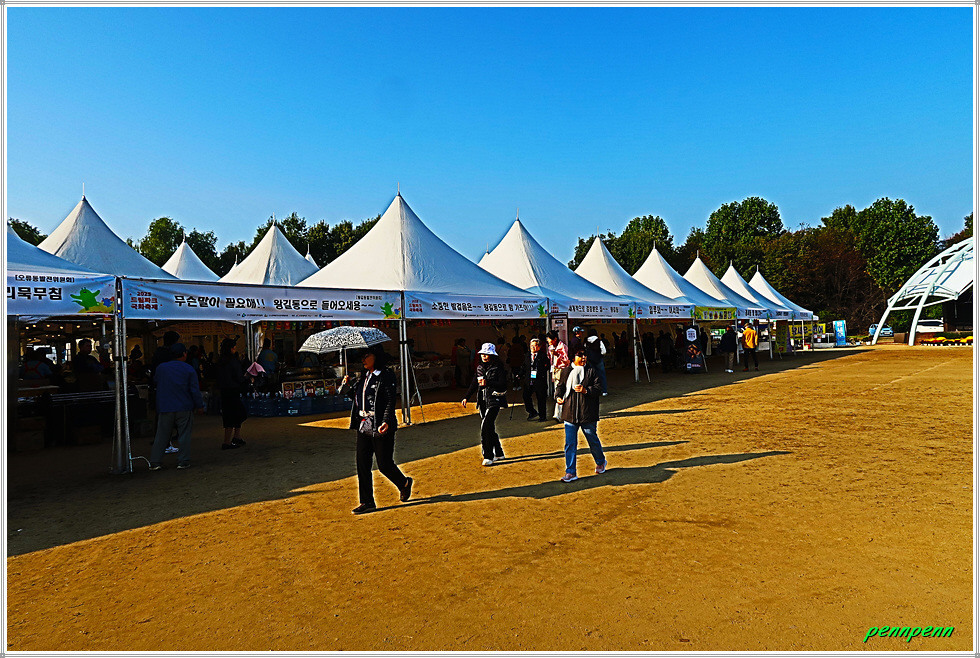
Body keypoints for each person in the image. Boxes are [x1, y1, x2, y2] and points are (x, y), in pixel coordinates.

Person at [340, 346, 412, 515]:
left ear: (376, 356)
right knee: (362, 464)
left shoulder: (386, 375)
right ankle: (367, 501)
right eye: (362, 356)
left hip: (380, 425)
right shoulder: (364, 376)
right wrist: (346, 386)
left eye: (367, 356)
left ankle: (404, 483)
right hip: (364, 425)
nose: (363, 360)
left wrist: (386, 420)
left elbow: (390, 401)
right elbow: (357, 398)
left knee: (384, 464)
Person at [149, 343, 205, 471]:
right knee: (184, 434)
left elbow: (156, 381)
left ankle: (155, 461)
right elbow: (194, 390)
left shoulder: (161, 368)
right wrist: (199, 405)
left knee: (161, 435)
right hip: (184, 406)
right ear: (184, 354)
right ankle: (183, 461)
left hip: (165, 406)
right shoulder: (189, 369)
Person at [555, 348, 606, 482]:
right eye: (580, 355)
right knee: (570, 444)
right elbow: (560, 386)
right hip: (569, 413)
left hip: (587, 413)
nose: (583, 358)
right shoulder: (566, 371)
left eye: (585, 355)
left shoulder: (591, 371)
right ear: (573, 357)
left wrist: (586, 390)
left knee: (592, 439)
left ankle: (600, 461)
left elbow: (599, 388)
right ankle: (570, 472)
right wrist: (558, 396)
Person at [462, 343, 508, 466]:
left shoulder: (498, 368)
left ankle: (488, 456)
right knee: (489, 427)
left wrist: (488, 382)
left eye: (486, 354)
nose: (484, 356)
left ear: (492, 356)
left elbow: (503, 384)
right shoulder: (479, 368)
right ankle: (499, 453)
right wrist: (466, 397)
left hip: (494, 400)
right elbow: (474, 383)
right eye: (482, 354)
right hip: (482, 401)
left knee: (485, 427)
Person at [216, 338, 247, 449]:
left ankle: (236, 437)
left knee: (230, 415)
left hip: (224, 391)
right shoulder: (233, 361)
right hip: (233, 390)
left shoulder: (220, 361)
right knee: (238, 414)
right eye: (234, 347)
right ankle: (227, 442)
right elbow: (239, 377)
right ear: (231, 348)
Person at [521, 338, 551, 421]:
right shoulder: (527, 355)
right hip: (529, 380)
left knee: (541, 398)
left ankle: (542, 416)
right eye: (531, 346)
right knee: (526, 396)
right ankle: (532, 412)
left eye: (535, 346)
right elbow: (524, 366)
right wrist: (520, 374)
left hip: (539, 380)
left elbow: (547, 366)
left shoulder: (543, 356)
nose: (533, 348)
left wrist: (540, 369)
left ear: (539, 346)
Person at [585, 328, 608, 396]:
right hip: (598, 360)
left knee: (591, 376)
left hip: (590, 360)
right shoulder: (599, 341)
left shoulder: (586, 341)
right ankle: (604, 391)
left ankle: (592, 390)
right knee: (602, 375)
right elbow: (604, 351)